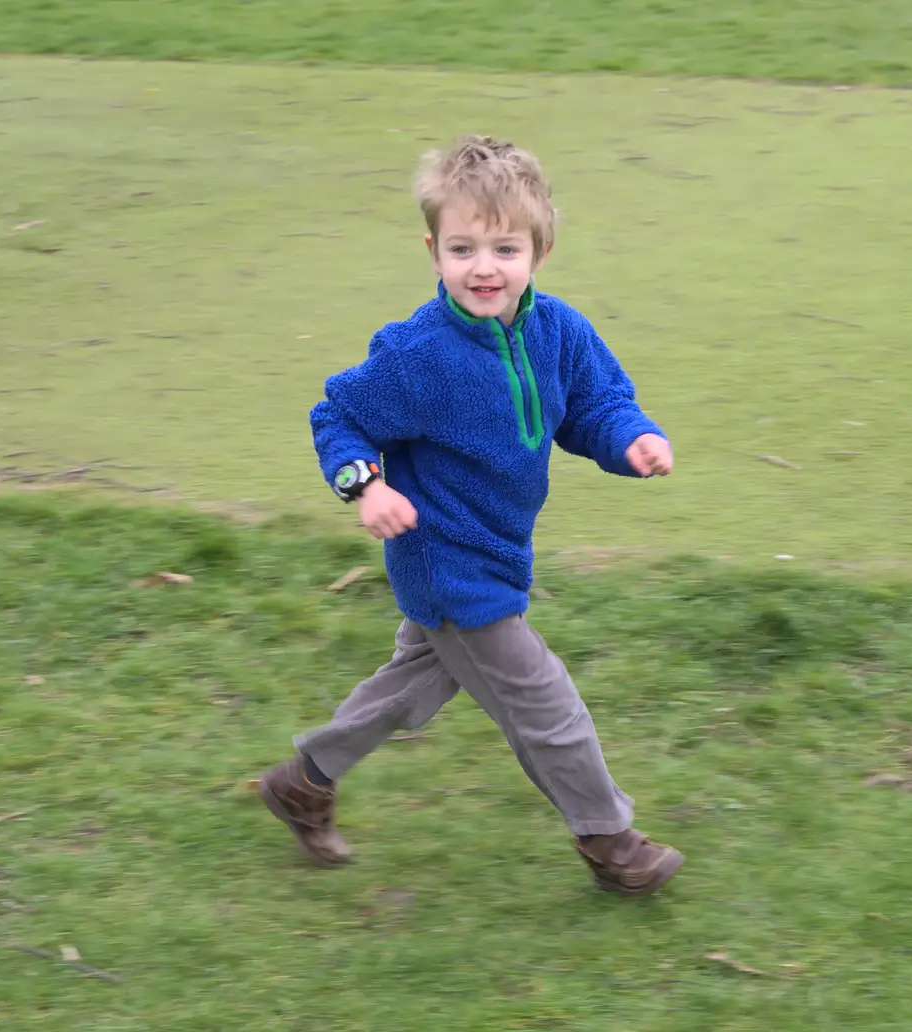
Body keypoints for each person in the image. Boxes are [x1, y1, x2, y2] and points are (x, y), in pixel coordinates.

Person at [255, 134, 684, 898]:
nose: (483, 267)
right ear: (433, 251)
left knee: (413, 686)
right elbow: (339, 417)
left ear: (539, 252)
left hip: (499, 550)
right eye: (462, 248)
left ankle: (303, 781)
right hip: (445, 560)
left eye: (504, 248)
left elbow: (595, 406)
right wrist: (368, 487)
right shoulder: (418, 355)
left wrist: (633, 440)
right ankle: (609, 840)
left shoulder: (558, 333)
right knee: (545, 705)